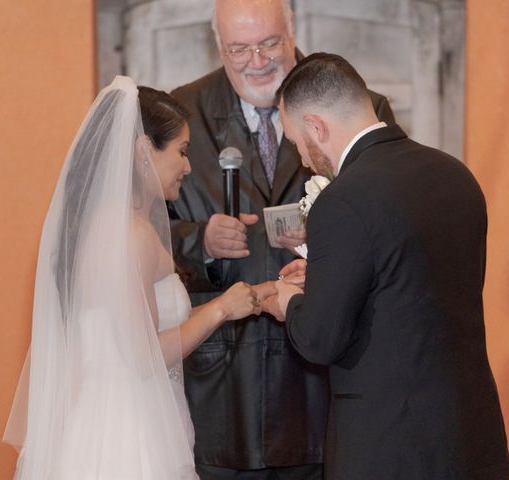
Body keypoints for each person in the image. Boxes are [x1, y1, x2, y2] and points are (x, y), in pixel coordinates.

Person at [3, 76, 274, 479]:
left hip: (118, 417)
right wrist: (221, 309)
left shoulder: (106, 225)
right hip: (126, 436)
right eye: (181, 152)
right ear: (144, 150)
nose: (187, 166)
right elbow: (142, 355)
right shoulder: (128, 234)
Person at [169, 1, 395, 478]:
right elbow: (140, 238)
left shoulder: (362, 108)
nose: (257, 60)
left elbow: (390, 219)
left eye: (270, 43)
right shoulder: (182, 113)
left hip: (320, 373)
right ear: (218, 46)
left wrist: (328, 243)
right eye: (239, 49)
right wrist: (202, 242)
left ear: (292, 32)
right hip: (220, 379)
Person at [264, 52, 509, 479]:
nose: (303, 159)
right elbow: (415, 285)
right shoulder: (456, 174)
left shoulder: (342, 201)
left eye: (296, 142)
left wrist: (289, 303)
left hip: (391, 448)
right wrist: (327, 279)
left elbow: (320, 339)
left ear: (316, 127)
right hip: (472, 438)